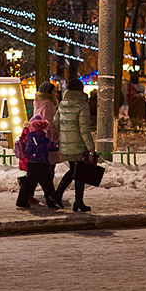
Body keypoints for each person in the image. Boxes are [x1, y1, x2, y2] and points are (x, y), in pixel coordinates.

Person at [52, 78, 96, 212]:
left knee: (75, 171)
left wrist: (65, 134)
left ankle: (76, 201)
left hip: (66, 144)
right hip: (79, 145)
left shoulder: (63, 104)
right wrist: (90, 147)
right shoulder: (82, 105)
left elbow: (56, 123)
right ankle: (65, 197)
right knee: (77, 172)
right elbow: (84, 129)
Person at [16, 116, 61, 209]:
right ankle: (52, 203)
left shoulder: (30, 138)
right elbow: (52, 147)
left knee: (29, 184)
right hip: (42, 164)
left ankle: (21, 201)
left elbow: (28, 150)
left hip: (32, 163)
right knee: (47, 185)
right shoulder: (43, 139)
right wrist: (60, 144)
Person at [33, 81, 60, 173]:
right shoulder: (48, 104)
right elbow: (49, 124)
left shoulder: (37, 102)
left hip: (39, 136)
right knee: (50, 165)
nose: (55, 93)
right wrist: (50, 141)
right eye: (54, 91)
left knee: (44, 164)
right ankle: (48, 186)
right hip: (49, 138)